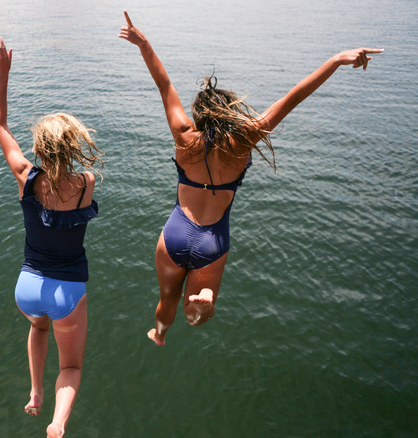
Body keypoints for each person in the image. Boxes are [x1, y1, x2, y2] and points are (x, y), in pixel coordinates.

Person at [119, 11, 383, 346]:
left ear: (199, 115)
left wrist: (143, 43)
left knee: (167, 298)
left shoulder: (185, 136)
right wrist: (334, 60)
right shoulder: (242, 142)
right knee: (198, 307)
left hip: (174, 233)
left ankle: (160, 333)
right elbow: (294, 97)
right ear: (228, 112)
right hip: (212, 240)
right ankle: (202, 306)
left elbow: (164, 84)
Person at [0, 37, 103, 438]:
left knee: (38, 329)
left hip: (28, 285)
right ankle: (57, 422)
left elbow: (0, 124)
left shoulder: (25, 178)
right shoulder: (86, 183)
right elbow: (80, 176)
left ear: (39, 148)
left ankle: (36, 393)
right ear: (72, 147)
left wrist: (2, 75)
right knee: (70, 366)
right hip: (66, 291)